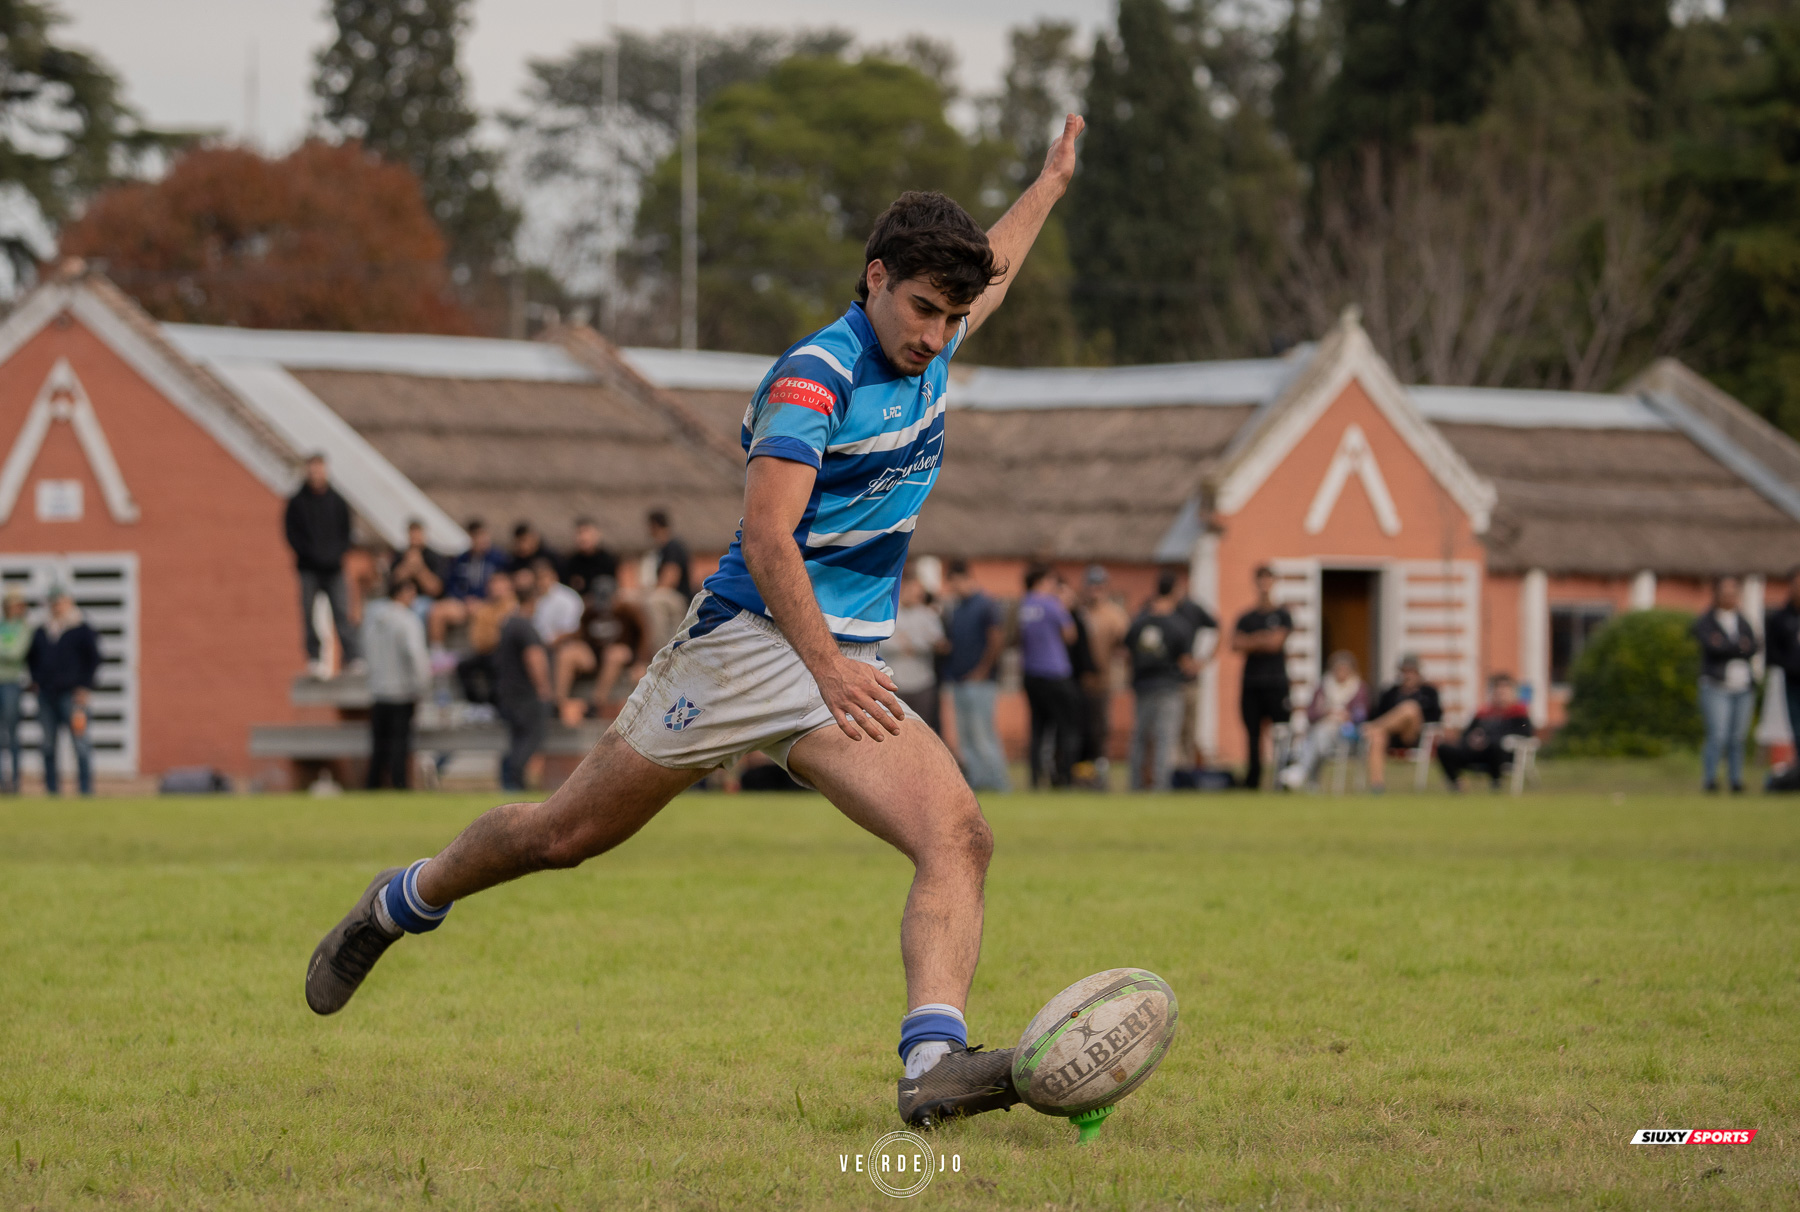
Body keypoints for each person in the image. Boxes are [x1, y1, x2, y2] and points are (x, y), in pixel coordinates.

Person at [304, 118, 1085, 1135]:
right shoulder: (816, 377)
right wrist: (830, 667)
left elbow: (1004, 264)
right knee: (561, 836)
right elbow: (768, 540)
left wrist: (1051, 178)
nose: (936, 334)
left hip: (832, 668)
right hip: (747, 648)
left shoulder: (938, 337)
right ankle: (404, 899)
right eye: (923, 310)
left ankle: (931, 1064)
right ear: (876, 276)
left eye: (952, 317)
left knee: (959, 835)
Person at [283, 453, 358, 674]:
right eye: (312, 470)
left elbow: (347, 532)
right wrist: (309, 555)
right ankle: (314, 658)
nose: (316, 474)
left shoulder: (337, 501)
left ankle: (352, 657)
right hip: (308, 569)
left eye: (319, 469)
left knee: (342, 612)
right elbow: (291, 534)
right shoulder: (297, 502)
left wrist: (336, 555)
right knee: (308, 613)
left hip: (334, 569)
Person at [1124, 572, 1199, 791]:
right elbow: (1185, 662)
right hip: (1168, 688)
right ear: (1175, 590)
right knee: (1165, 739)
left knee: (1140, 738)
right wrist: (1198, 666)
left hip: (1142, 687)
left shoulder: (1139, 621)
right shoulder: (1179, 625)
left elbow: (1127, 653)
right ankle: (1160, 786)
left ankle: (1135, 785)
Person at [942, 559, 1010, 792]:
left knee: (983, 736)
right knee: (966, 738)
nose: (952, 589)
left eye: (954, 584)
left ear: (964, 578)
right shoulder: (957, 608)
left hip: (981, 683)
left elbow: (997, 639)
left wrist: (982, 671)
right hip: (959, 680)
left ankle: (999, 785)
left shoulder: (986, 605)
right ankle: (979, 785)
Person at [26, 588, 101, 796]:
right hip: (47, 694)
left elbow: (93, 659)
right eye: (53, 603)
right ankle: (52, 790)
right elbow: (31, 658)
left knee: (80, 743)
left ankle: (85, 790)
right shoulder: (42, 630)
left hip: (73, 694)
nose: (56, 607)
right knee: (48, 745)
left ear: (69, 603)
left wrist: (85, 687)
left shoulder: (81, 628)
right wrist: (36, 681)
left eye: (60, 602)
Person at [1693, 574, 1759, 793]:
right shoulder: (1707, 621)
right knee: (1717, 735)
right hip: (1716, 685)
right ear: (1717, 594)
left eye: (1733, 593)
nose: (1730, 597)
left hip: (1743, 686)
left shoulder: (1743, 621)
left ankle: (1736, 780)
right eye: (1726, 592)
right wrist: (1737, 646)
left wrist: (1729, 646)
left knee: (1737, 738)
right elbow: (1714, 648)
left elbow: (1753, 647)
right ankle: (1710, 780)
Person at [363, 578, 431, 790]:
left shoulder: (373, 619)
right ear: (402, 594)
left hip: (378, 690)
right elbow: (415, 654)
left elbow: (365, 650)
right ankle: (399, 784)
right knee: (399, 743)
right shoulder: (407, 620)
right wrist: (422, 684)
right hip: (402, 691)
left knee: (378, 745)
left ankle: (373, 785)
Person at [1018, 566, 1081, 788]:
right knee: (1067, 728)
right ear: (1043, 580)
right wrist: (1065, 606)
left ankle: (1036, 779)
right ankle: (1064, 778)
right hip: (1055, 673)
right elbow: (1070, 635)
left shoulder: (1024, 604)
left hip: (1031, 673)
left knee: (1038, 729)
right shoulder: (1052, 604)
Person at [1231, 566, 1292, 790]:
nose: (1264, 584)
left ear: (1274, 582)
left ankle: (1283, 779)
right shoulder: (1246, 617)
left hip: (1276, 683)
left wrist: (1252, 641)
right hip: (1252, 683)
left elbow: (1276, 643)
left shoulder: (1282, 615)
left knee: (1283, 732)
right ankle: (1253, 780)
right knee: (1253, 734)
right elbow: (1236, 644)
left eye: (1269, 579)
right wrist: (1262, 640)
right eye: (1261, 579)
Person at [494, 567, 553, 791]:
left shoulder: (509, 623)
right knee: (530, 739)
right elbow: (534, 658)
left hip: (508, 693)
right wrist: (544, 689)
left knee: (516, 739)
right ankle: (514, 781)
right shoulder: (526, 626)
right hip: (525, 695)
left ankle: (509, 780)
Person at [1277, 651, 1370, 791]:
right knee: (1319, 736)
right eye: (1338, 669)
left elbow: (1361, 716)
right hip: (1321, 731)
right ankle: (1310, 781)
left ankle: (1300, 771)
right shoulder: (1323, 687)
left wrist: (1345, 716)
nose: (1341, 672)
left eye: (1344, 669)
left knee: (1318, 736)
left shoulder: (1359, 689)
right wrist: (1326, 712)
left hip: (1346, 736)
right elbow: (1311, 714)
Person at [553, 586, 645, 723]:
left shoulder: (629, 611)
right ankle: (557, 703)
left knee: (615, 654)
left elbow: (643, 636)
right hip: (595, 655)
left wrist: (639, 661)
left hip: (621, 655)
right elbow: (582, 633)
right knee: (567, 652)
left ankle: (596, 703)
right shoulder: (590, 611)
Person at [1075, 567, 1131, 785]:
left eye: (1099, 585)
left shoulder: (1115, 615)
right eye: (1091, 585)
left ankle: (1100, 777)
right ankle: (1079, 776)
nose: (1094, 590)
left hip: (1102, 683)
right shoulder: (1079, 612)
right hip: (1078, 684)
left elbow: (1126, 646)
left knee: (1099, 731)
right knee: (1079, 733)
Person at [1437, 672, 1534, 791]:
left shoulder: (1519, 712)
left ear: (1512, 692)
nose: (1500, 693)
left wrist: (1490, 740)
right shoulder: (1483, 713)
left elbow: (1525, 734)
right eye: (1497, 689)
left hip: (1502, 753)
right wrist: (1472, 739)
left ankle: (1496, 782)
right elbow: (1466, 734)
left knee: (1495, 745)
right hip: (1476, 753)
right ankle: (1456, 783)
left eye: (1504, 690)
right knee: (1443, 748)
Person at [1362, 655, 1443, 792]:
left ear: (1418, 673)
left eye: (1411, 672)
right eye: (1405, 672)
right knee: (1377, 736)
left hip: (1414, 735)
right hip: (1391, 737)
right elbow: (1376, 713)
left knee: (1410, 709)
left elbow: (1436, 717)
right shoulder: (1390, 693)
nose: (1408, 675)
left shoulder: (1429, 692)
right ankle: (1377, 786)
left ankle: (1370, 728)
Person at [430, 519, 507, 649]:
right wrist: (463, 599)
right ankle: (437, 653)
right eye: (475, 536)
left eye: (481, 535)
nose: (479, 539)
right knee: (437, 610)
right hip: (464, 603)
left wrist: (483, 601)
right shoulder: (462, 559)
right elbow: (452, 584)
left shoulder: (499, 559)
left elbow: (502, 587)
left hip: (489, 603)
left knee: (483, 614)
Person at [887, 570, 949, 731]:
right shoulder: (889, 612)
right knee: (897, 730)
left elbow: (939, 643)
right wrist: (918, 641)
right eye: (914, 592)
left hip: (923, 683)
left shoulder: (928, 615)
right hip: (895, 683)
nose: (918, 596)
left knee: (923, 728)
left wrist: (912, 642)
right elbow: (884, 644)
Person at [1763, 567, 1800, 758]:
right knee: (1797, 727)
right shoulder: (1780, 618)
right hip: (1792, 681)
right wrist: (1791, 666)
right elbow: (1772, 652)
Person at [0, 590, 28, 792]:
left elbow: (16, 652)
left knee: (12, 734)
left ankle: (16, 781)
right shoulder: (2, 627)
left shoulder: (24, 628)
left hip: (11, 684)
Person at [389, 520, 446, 608]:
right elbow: (394, 581)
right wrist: (406, 566)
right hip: (400, 598)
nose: (414, 538)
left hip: (424, 600)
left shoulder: (434, 557)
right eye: (412, 535)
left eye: (417, 534)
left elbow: (435, 589)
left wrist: (419, 567)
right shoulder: (401, 555)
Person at [531, 557, 584, 648]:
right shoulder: (530, 597)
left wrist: (550, 642)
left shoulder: (569, 598)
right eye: (537, 578)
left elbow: (572, 630)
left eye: (544, 577)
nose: (541, 582)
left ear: (554, 576)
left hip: (562, 645)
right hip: (534, 646)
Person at [563, 518, 620, 598]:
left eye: (587, 532)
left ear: (596, 535)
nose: (583, 537)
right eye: (580, 533)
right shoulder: (570, 563)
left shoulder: (608, 561)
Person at [645, 510, 692, 600]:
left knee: (653, 601)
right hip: (670, 595)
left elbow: (670, 580)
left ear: (654, 526)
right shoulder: (662, 550)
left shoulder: (673, 547)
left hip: (679, 597)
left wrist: (652, 593)